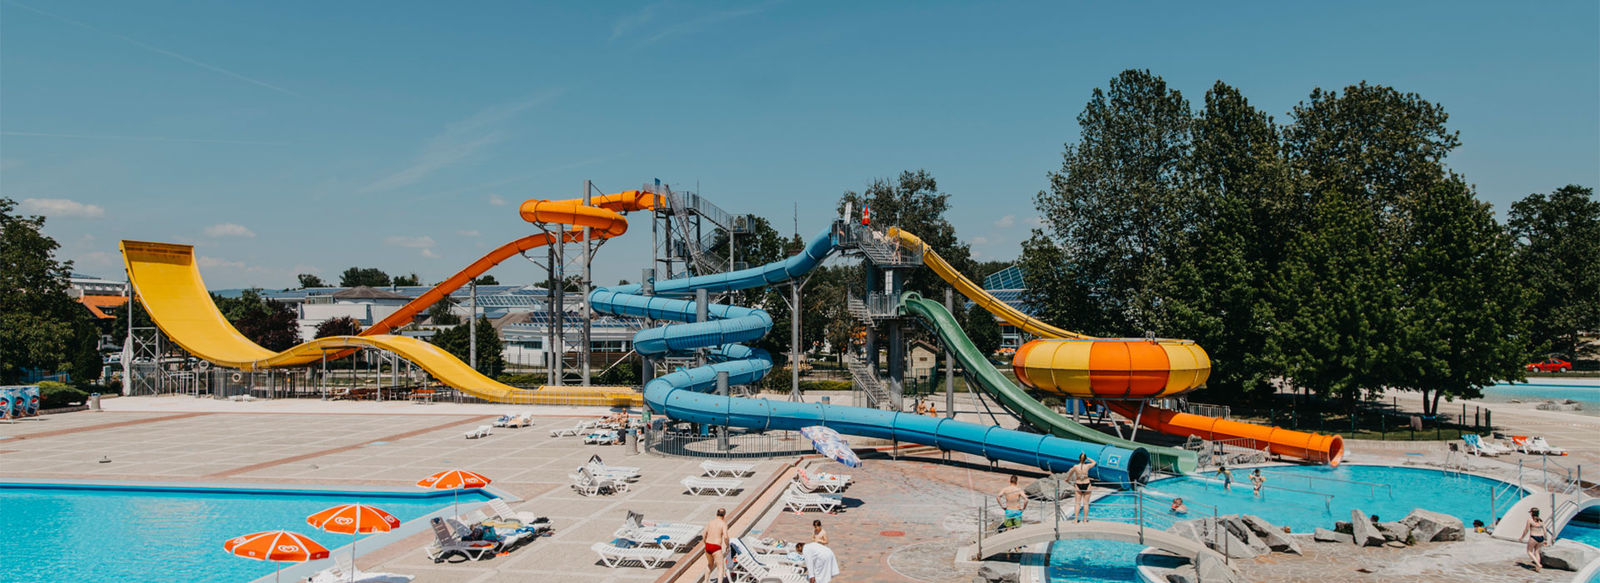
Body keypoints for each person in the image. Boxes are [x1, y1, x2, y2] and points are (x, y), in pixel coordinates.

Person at [1069, 453, 1097, 523]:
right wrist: (1088, 458)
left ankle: (1075, 520)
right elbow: (1094, 462)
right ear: (1085, 459)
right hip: (1087, 484)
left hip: (1078, 484)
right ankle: (1085, 520)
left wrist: (1067, 479)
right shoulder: (1087, 466)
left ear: (1079, 459)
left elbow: (1070, 473)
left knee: (1077, 503)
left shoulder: (1075, 467)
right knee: (1086, 503)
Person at [704, 508, 729, 583]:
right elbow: (725, 537)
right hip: (716, 547)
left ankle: (705, 581)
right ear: (724, 515)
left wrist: (705, 543)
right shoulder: (723, 524)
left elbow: (704, 534)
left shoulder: (710, 522)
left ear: (716, 514)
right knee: (720, 568)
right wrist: (727, 546)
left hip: (708, 546)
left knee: (709, 565)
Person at [1521, 508, 1546, 572]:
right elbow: (1545, 531)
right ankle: (1537, 569)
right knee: (1537, 552)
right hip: (1541, 538)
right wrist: (1546, 539)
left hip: (1533, 537)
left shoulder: (1530, 520)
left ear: (1532, 513)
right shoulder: (1541, 521)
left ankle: (1538, 564)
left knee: (1529, 551)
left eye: (1530, 512)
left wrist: (1522, 537)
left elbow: (1526, 530)